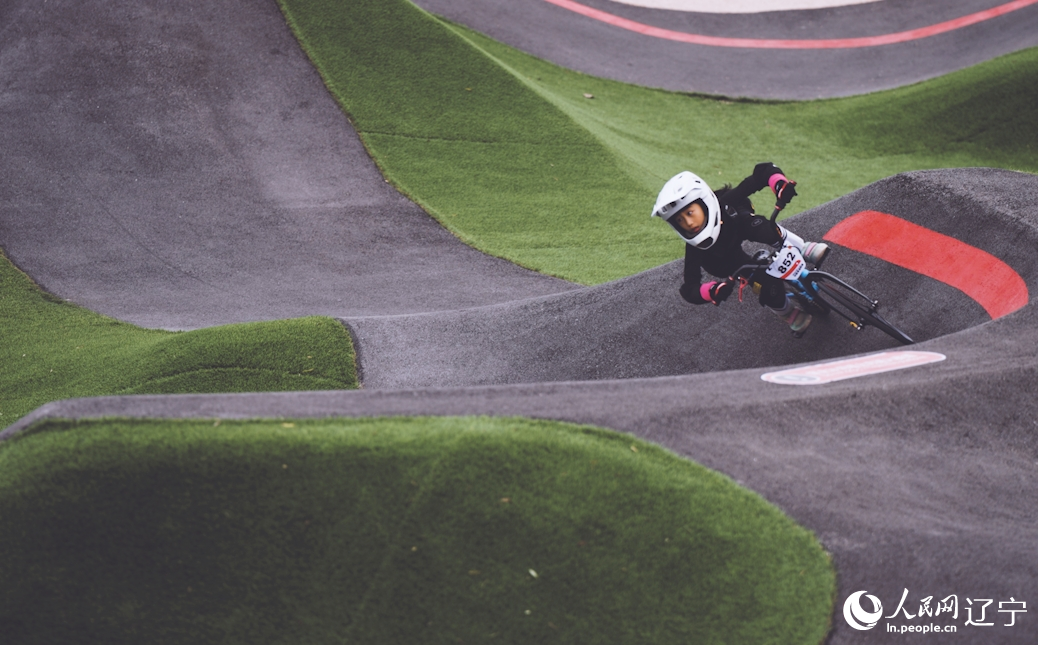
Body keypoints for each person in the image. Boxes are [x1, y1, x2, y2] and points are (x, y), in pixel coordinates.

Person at [650, 162, 829, 334]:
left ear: (704, 203)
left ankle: (803, 248)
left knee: (763, 228)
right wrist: (712, 291)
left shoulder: (725, 203)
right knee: (768, 288)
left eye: (690, 213)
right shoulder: (694, 248)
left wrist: (780, 185)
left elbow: (763, 171)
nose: (688, 223)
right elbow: (689, 289)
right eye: (680, 220)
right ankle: (787, 313)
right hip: (727, 262)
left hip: (739, 225)